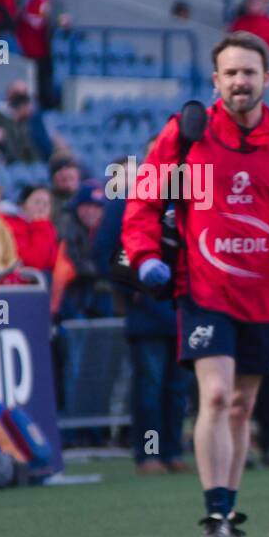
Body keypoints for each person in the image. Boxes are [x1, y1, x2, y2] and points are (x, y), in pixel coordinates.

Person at [122, 31, 269, 537]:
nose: (240, 82)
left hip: (265, 294)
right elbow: (144, 201)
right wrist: (145, 255)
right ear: (216, 80)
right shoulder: (185, 133)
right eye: (230, 73)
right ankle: (214, 513)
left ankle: (230, 507)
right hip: (203, 288)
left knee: (242, 405)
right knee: (217, 395)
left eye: (249, 72)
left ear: (266, 79)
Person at [94, 159, 190, 476]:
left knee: (176, 390)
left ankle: (173, 451)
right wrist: (134, 285)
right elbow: (106, 251)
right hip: (148, 312)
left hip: (182, 310)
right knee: (149, 388)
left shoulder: (186, 201)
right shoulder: (127, 204)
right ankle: (148, 454)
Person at [51, 182, 113, 319]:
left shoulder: (103, 229)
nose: (91, 212)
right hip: (69, 294)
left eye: (97, 207)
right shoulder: (67, 225)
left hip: (91, 292)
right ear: (77, 207)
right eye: (87, 206)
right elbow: (75, 263)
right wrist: (102, 269)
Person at [15, 0, 70, 111]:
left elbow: (66, 27)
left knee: (44, 96)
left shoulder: (56, 2)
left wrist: (54, 17)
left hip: (44, 55)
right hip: (20, 54)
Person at [1, 184, 58, 274]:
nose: (42, 207)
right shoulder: (10, 224)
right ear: (23, 204)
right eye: (37, 202)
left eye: (46, 203)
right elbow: (33, 262)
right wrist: (41, 226)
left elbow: (54, 261)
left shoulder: (47, 226)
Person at [47, 155, 81, 222]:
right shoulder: (47, 202)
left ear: (78, 174)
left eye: (69, 167)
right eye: (59, 169)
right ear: (52, 178)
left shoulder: (88, 198)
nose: (65, 173)